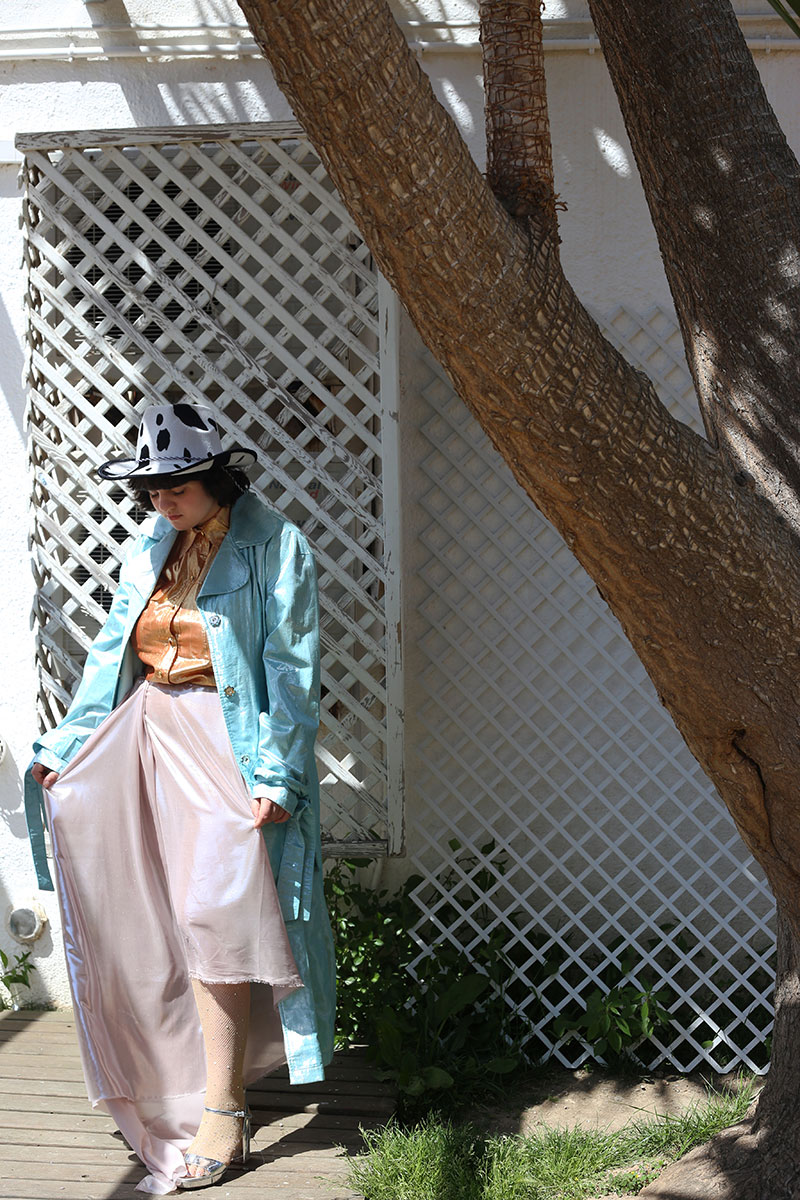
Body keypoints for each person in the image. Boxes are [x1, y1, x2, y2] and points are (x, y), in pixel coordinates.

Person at [24, 402, 336, 1194]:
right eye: (152, 490)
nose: (162, 502)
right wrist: (67, 744)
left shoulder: (277, 545)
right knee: (159, 916)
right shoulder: (150, 545)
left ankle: (225, 1108)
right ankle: (188, 1086)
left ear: (216, 479)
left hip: (228, 745)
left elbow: (292, 669)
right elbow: (111, 652)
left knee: (215, 915)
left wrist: (278, 773)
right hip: (151, 735)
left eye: (178, 488)